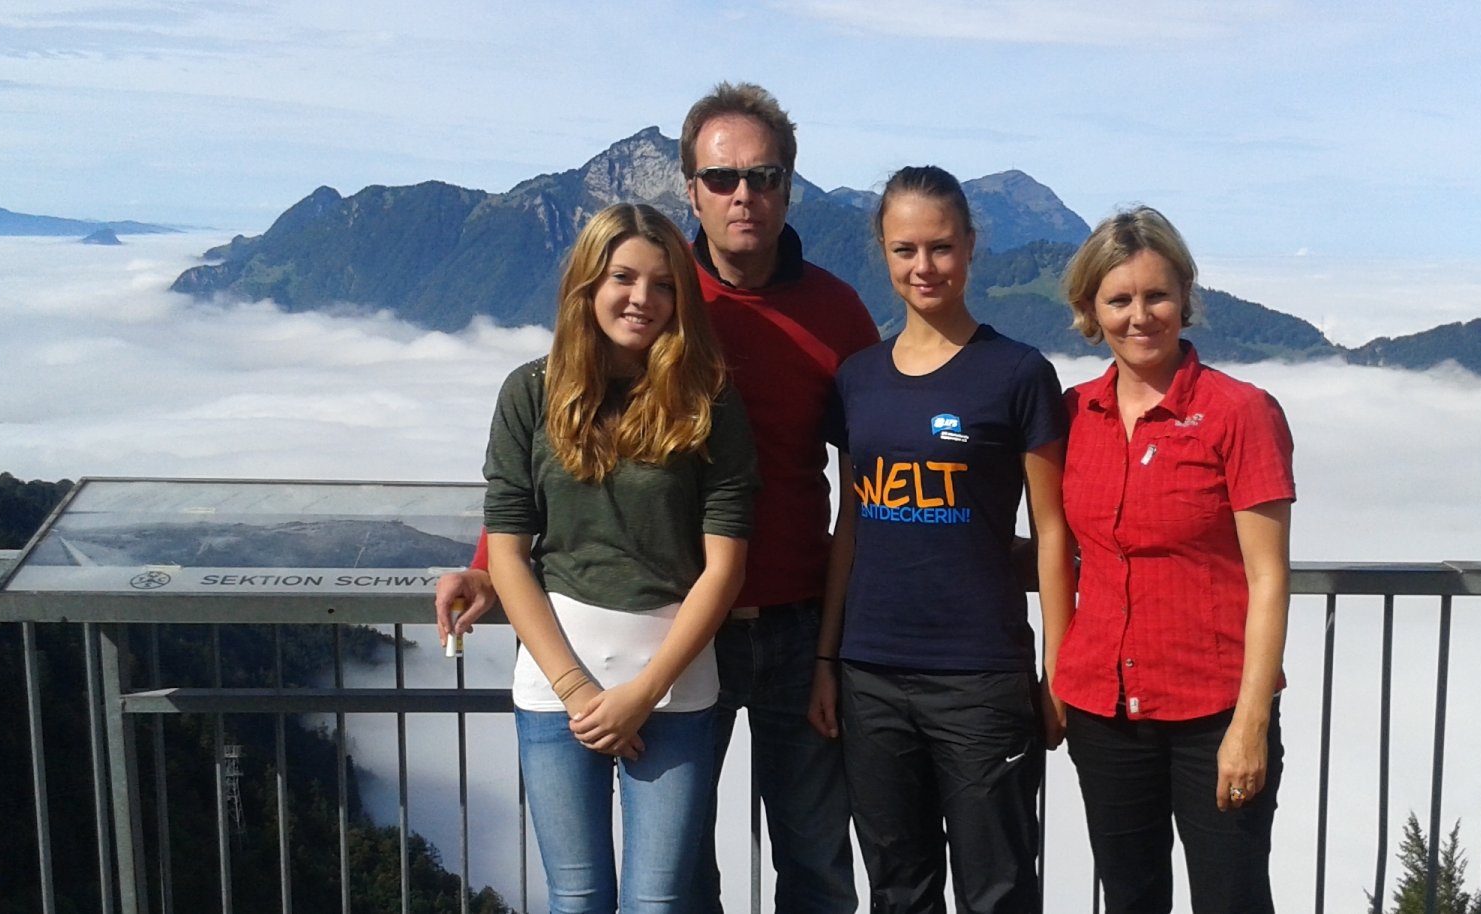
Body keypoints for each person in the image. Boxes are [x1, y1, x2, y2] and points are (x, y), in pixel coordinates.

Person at [439, 82, 877, 913]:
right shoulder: (653, 288)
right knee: (677, 881)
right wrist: (488, 567)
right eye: (722, 179)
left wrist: (837, 642)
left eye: (765, 175)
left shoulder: (836, 310)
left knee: (816, 862)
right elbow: (562, 443)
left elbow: (867, 481)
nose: (743, 195)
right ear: (692, 190)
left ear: (789, 185)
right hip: (668, 630)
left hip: (793, 624)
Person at [809, 165, 1073, 914]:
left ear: (970, 248)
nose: (923, 267)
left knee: (999, 889)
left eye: (941, 248)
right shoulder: (858, 380)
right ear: (883, 254)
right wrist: (828, 659)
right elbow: (851, 522)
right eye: (904, 250)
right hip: (871, 674)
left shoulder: (1019, 374)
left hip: (981, 677)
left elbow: (1051, 532)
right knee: (899, 889)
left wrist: (1059, 672)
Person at [486, 202, 759, 913]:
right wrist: (580, 692)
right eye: (622, 278)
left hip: (673, 687)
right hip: (555, 687)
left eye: (663, 284)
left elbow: (723, 566)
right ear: (587, 284)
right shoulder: (530, 394)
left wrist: (641, 696)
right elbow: (509, 556)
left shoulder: (709, 402)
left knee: (658, 903)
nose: (643, 299)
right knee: (575, 898)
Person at [1051, 206, 1295, 914]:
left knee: (1232, 898)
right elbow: (1062, 552)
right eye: (1118, 299)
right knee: (1130, 899)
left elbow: (1269, 575)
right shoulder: (1073, 416)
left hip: (1213, 710)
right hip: (1103, 709)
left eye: (1156, 296)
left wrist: (1250, 724)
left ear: (1185, 298)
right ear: (1090, 309)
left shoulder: (1239, 413)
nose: (1140, 316)